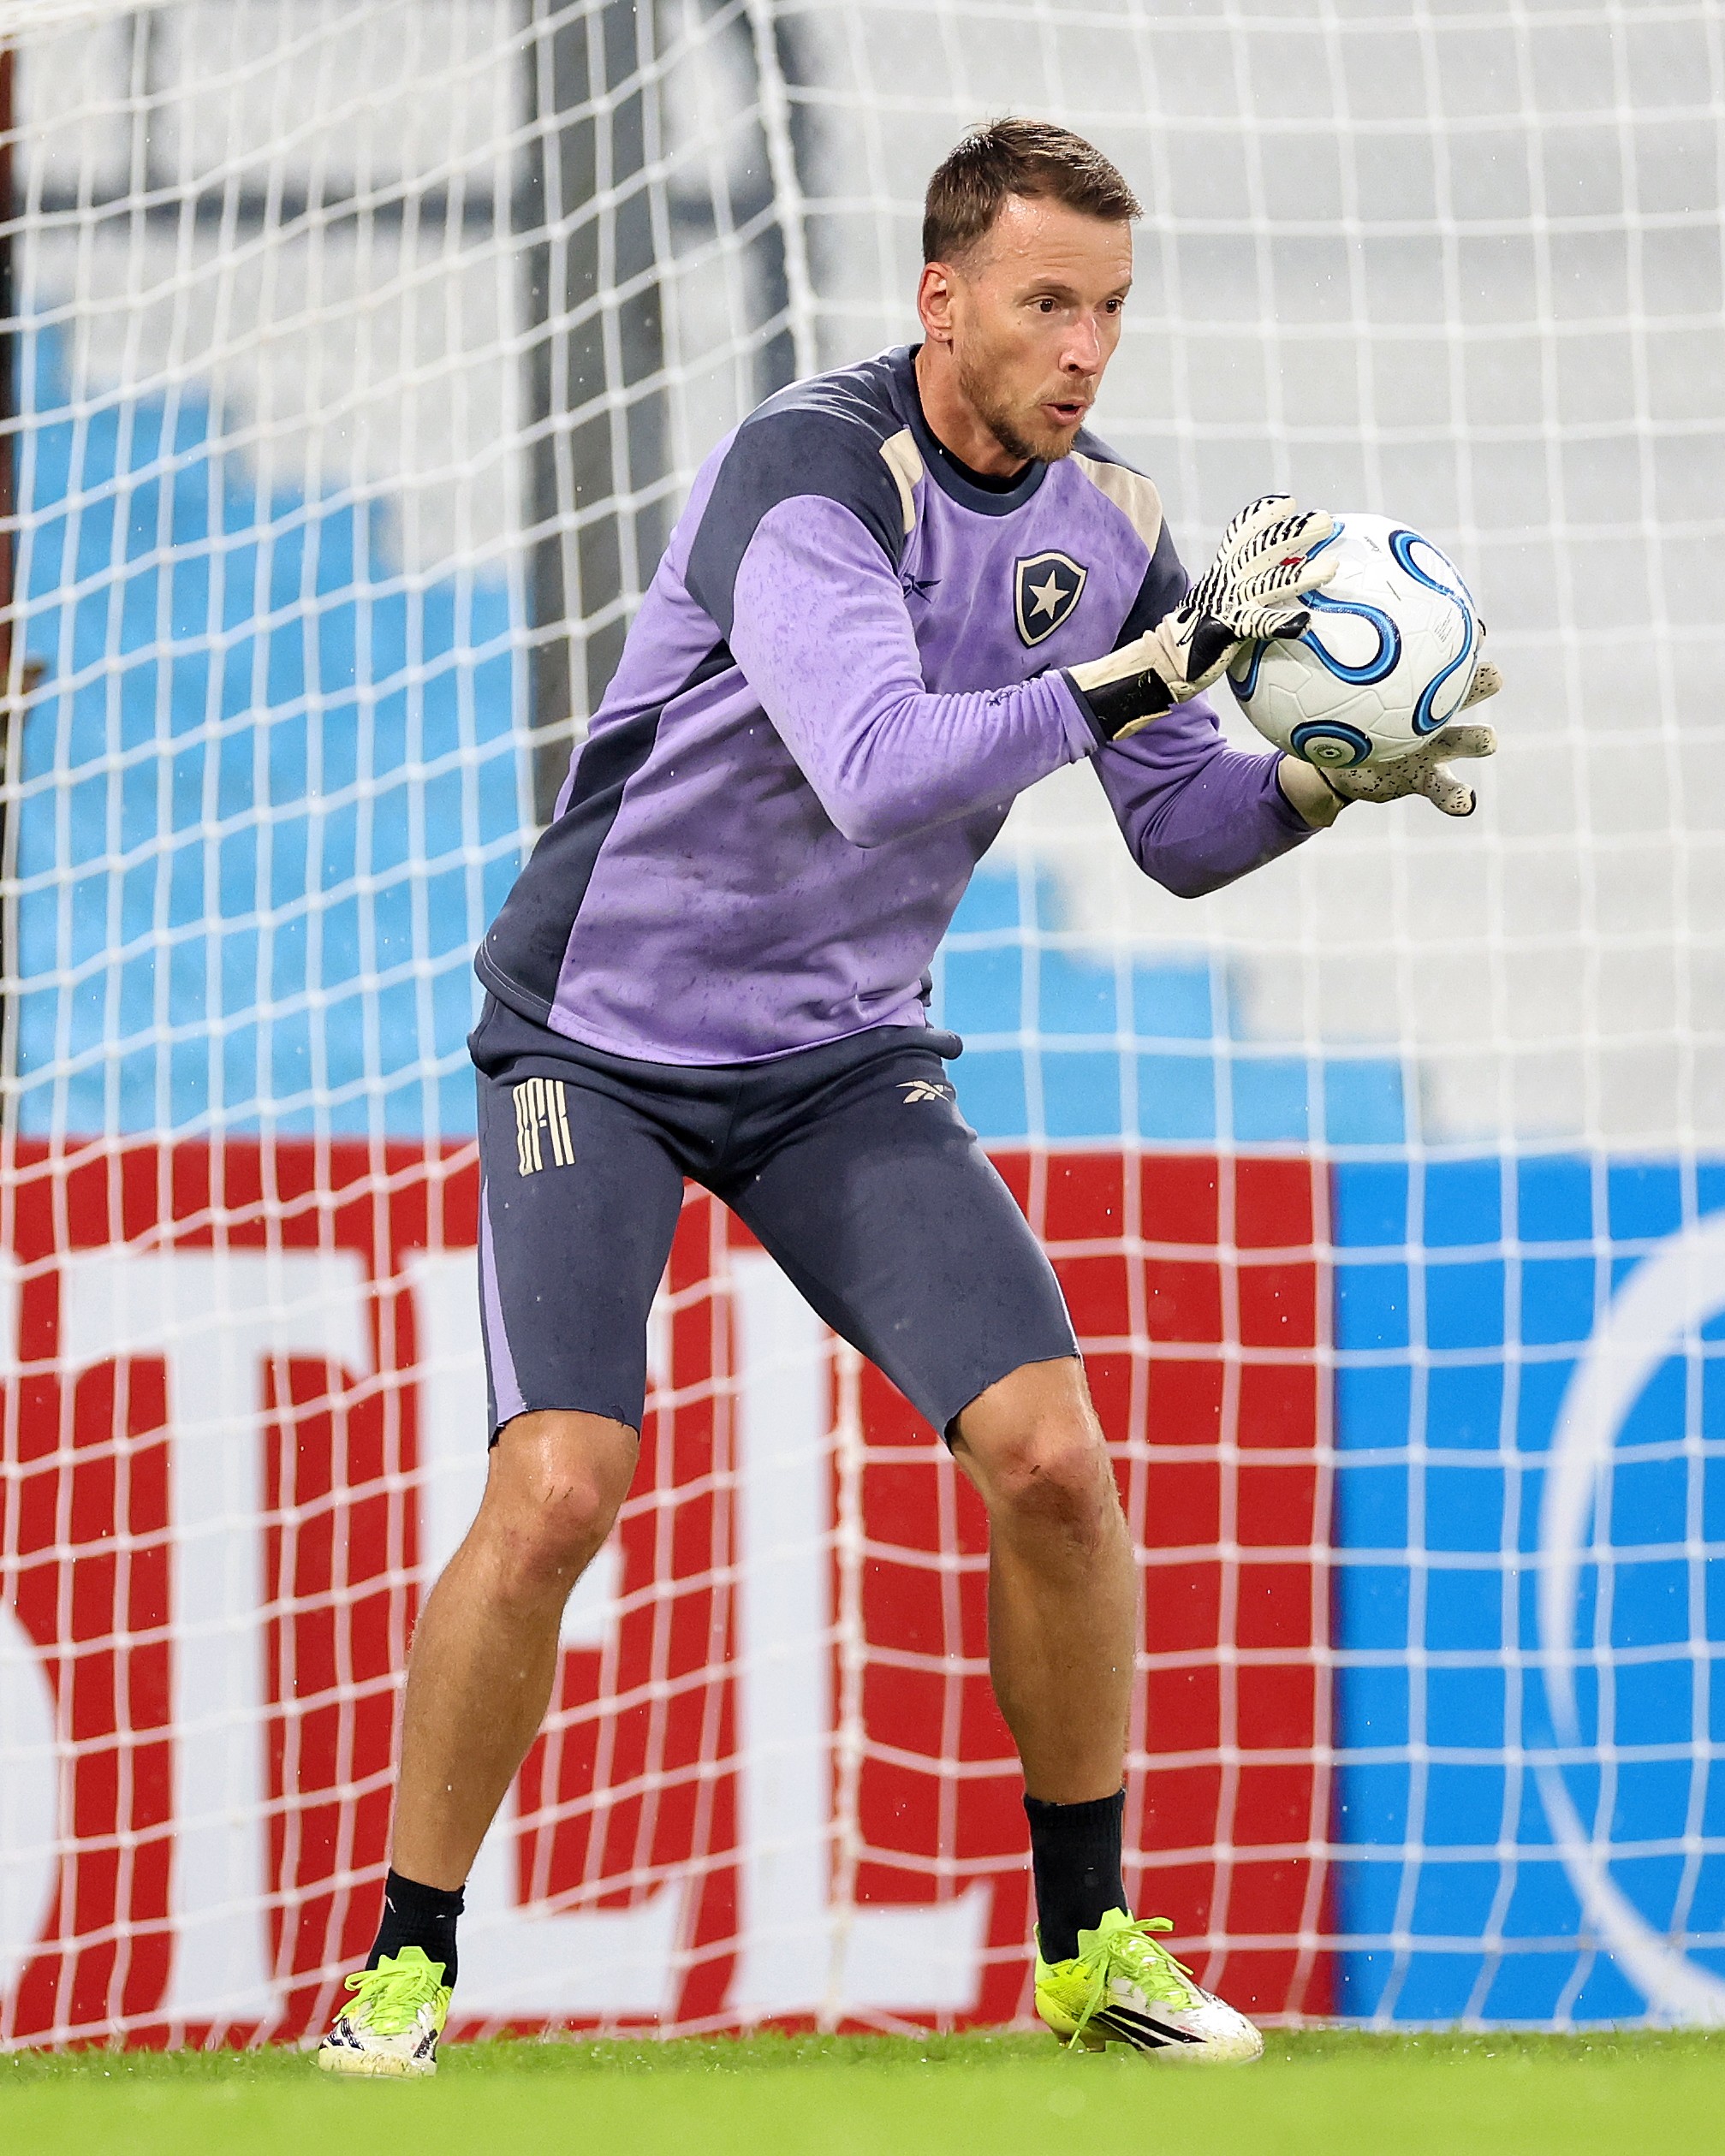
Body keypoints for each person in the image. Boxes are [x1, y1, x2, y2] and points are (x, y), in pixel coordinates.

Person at [318, 116, 1497, 2076]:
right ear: (941, 299)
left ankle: (1092, 1946)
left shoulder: (1110, 525)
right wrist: (1151, 668)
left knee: (1050, 1459)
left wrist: (1310, 781)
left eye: (1111, 311)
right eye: (1049, 303)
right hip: (596, 1042)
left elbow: (1177, 836)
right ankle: (405, 1964)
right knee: (556, 1489)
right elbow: (876, 762)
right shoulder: (810, 473)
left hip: (842, 1055)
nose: (1086, 349)